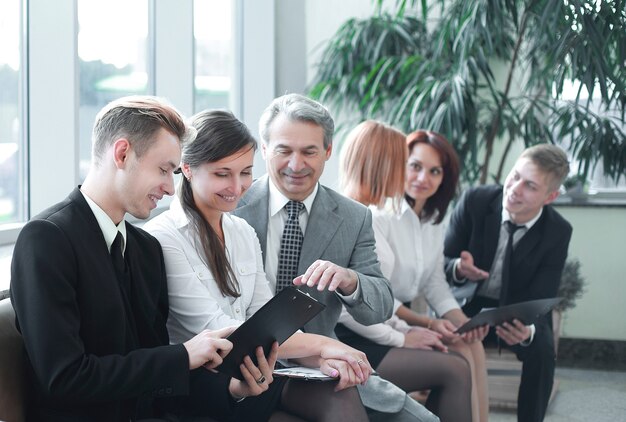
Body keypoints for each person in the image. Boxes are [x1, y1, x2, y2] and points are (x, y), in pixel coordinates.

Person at [9, 96, 271, 421]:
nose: (171, 188)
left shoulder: (145, 249)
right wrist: (182, 356)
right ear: (122, 154)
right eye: (163, 170)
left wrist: (232, 389)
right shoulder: (47, 239)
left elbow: (155, 378)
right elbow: (64, 378)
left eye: (174, 172)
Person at [144, 109, 372, 421]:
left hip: (255, 376)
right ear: (187, 168)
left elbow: (267, 324)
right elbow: (222, 334)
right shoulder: (162, 238)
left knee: (338, 394)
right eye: (222, 174)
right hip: (200, 389)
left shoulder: (242, 232)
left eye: (246, 173)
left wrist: (320, 358)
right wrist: (323, 345)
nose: (237, 188)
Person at [233, 94, 438, 421]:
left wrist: (350, 280)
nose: (296, 165)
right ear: (266, 149)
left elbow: (381, 305)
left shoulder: (353, 217)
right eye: (284, 150)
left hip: (325, 364)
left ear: (328, 151)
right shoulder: (233, 206)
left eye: (309, 151)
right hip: (247, 368)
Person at [336, 122, 479, 422]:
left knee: (462, 354)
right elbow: (348, 310)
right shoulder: (361, 216)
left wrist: (406, 330)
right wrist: (403, 336)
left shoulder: (366, 213)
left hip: (376, 331)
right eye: (407, 165)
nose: (411, 176)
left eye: (433, 171)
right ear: (381, 166)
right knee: (454, 368)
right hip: (349, 339)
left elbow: (376, 297)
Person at [444, 143, 572, 422]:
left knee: (541, 350)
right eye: (514, 176)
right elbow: (439, 263)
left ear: (549, 197)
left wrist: (527, 331)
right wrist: (458, 268)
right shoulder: (475, 200)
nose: (514, 189)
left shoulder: (558, 231)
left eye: (530, 186)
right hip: (465, 306)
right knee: (446, 339)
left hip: (514, 314)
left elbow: (543, 294)